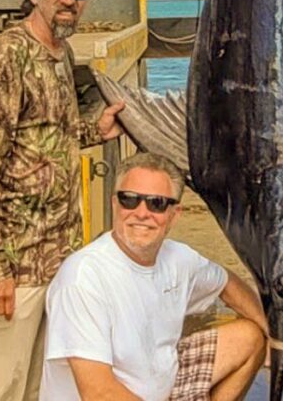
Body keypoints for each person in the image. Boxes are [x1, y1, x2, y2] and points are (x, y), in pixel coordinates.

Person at [0, 0, 125, 401]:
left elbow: (52, 137)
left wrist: (97, 129)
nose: (67, 0)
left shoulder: (62, 54)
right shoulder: (6, 57)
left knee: (41, 389)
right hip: (16, 262)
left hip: (58, 261)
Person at [40, 152, 267, 401]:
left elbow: (227, 283)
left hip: (158, 387)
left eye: (156, 203)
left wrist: (277, 342)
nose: (141, 212)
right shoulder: (83, 278)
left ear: (175, 214)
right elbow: (98, 392)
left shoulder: (178, 258)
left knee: (250, 337)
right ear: (114, 204)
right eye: (130, 200)